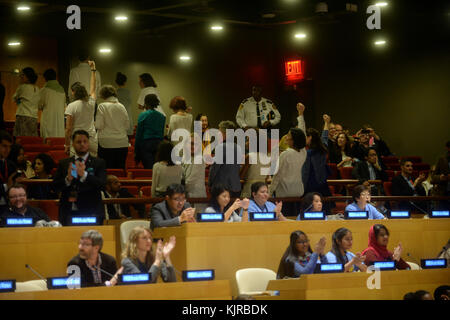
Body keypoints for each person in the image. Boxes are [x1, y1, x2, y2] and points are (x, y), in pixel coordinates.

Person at [53, 130, 106, 226]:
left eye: (85, 141)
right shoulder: (64, 163)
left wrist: (85, 175)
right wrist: (68, 179)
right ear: (73, 144)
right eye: (78, 142)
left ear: (88, 143)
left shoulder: (99, 163)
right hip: (68, 211)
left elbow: (102, 185)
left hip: (91, 211)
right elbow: (55, 186)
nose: (82, 144)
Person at [65, 60, 98, 157]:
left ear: (74, 92)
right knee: (91, 168)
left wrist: (67, 145)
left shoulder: (71, 106)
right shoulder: (91, 102)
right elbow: (93, 87)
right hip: (91, 140)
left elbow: (68, 129)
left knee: (76, 169)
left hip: (77, 140)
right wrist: (93, 70)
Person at [95, 85, 130, 169]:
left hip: (106, 143)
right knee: (119, 171)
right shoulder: (122, 106)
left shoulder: (102, 106)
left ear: (103, 95)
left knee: (107, 170)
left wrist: (93, 123)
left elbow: (99, 125)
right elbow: (127, 126)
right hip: (122, 143)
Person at [208, 121, 243, 197]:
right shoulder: (238, 148)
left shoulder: (221, 147)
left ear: (225, 134)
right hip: (235, 187)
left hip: (222, 188)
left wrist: (209, 183)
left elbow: (214, 169)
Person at [269, 127, 307, 198]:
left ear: (294, 140)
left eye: (288, 135)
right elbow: (302, 134)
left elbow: (277, 175)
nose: (286, 136)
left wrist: (270, 192)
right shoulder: (303, 152)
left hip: (284, 193)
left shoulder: (285, 154)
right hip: (298, 191)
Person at [302, 126, 332, 209]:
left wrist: (302, 188)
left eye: (305, 137)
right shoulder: (323, 149)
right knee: (325, 211)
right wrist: (326, 123)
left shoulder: (308, 154)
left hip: (310, 187)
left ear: (310, 137)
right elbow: (325, 138)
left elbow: (305, 172)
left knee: (311, 211)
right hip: (323, 186)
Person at [135, 94, 165, 169]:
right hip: (159, 143)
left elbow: (139, 134)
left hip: (146, 144)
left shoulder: (143, 115)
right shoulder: (161, 116)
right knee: (157, 168)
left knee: (148, 169)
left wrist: (136, 151)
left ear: (146, 103)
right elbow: (162, 132)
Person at [38, 68, 66, 138]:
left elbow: (39, 105)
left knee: (47, 141)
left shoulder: (44, 90)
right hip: (59, 121)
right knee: (58, 141)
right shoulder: (62, 90)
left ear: (45, 78)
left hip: (48, 119)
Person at [12, 67, 40, 136]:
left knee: (21, 138)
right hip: (34, 117)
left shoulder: (22, 87)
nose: (20, 77)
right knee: (31, 139)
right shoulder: (37, 88)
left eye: (22, 75)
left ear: (28, 76)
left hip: (23, 115)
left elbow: (14, 98)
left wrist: (18, 102)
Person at [182, 133, 206, 200]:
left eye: (196, 144)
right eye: (191, 143)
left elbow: (191, 181)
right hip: (186, 196)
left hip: (196, 197)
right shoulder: (185, 158)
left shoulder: (199, 159)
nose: (193, 146)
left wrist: (180, 189)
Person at [0, 131, 17, 212]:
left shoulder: (11, 165)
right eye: (4, 146)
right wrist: (7, 186)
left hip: (8, 206)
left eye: (10, 147)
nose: (8, 150)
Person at [431, 141, 450, 210]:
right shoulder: (442, 160)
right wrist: (440, 177)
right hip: (444, 193)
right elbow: (433, 177)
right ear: (447, 148)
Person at [115, 72, 133, 136]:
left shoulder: (114, 93)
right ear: (125, 82)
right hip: (127, 118)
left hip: (117, 120)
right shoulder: (128, 92)